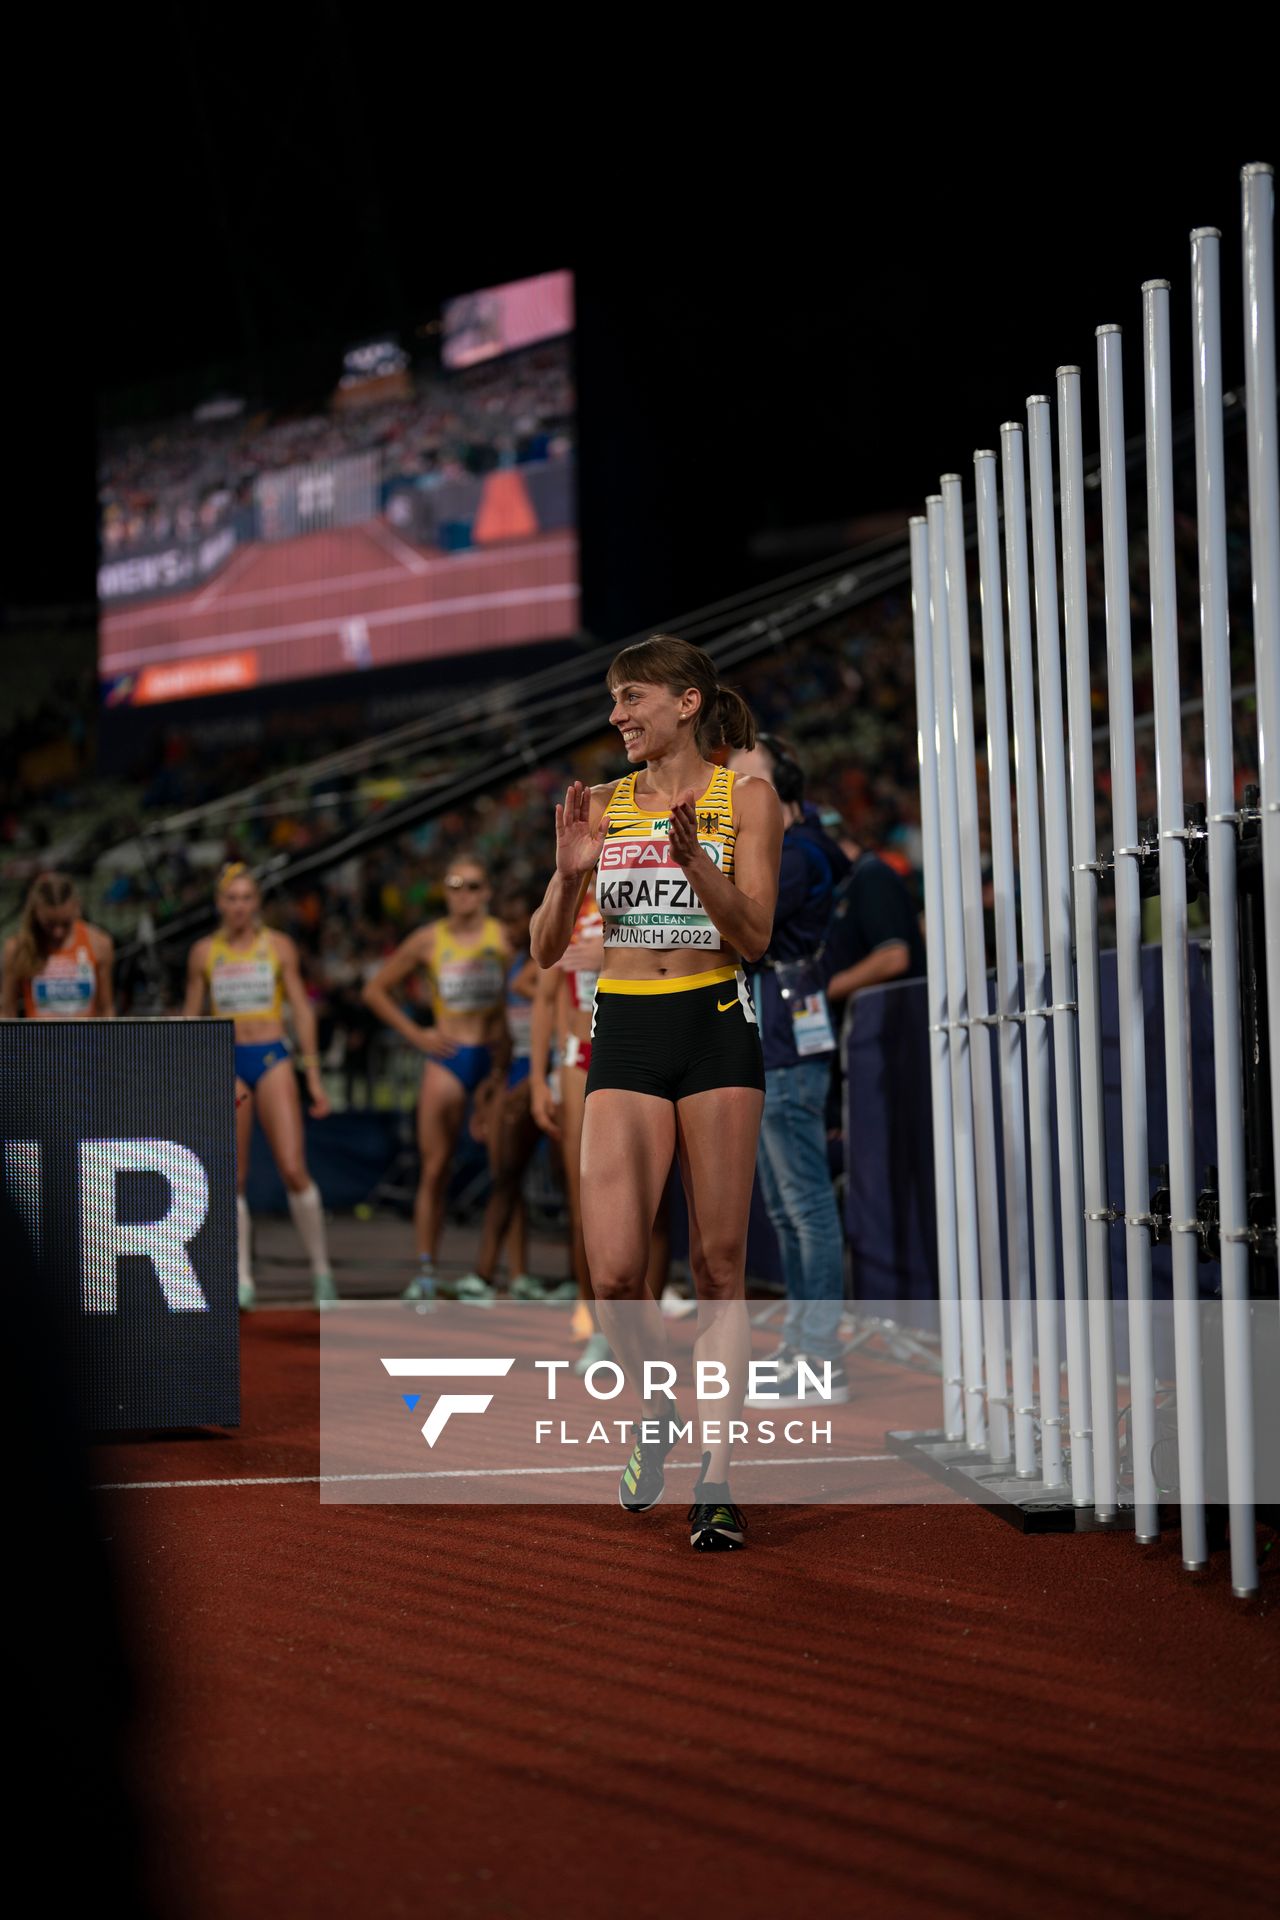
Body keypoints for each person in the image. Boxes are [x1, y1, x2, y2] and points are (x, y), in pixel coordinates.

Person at [530, 635, 782, 1551]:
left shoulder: (746, 799)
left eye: (629, 697)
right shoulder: (595, 806)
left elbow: (753, 936)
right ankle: (656, 1403)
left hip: (715, 1023)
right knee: (618, 1272)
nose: (616, 716)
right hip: (627, 1032)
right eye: (611, 701)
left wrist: (699, 865)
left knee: (719, 1268)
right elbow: (545, 949)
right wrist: (566, 877)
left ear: (685, 702)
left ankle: (715, 1480)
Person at [726, 737, 852, 1407]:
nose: (734, 787)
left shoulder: (796, 854)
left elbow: (751, 925)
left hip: (787, 1042)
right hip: (773, 1036)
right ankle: (804, 1345)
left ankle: (821, 1357)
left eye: (750, 778)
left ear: (785, 795)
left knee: (804, 1206)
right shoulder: (793, 848)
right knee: (786, 1205)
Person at [184, 863, 335, 1310]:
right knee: (235, 1176)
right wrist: (199, 1077)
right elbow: (193, 1020)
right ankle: (242, 1278)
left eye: (246, 898)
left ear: (257, 904)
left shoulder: (278, 946)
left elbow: (302, 1010)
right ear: (219, 904)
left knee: (292, 1166)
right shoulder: (204, 953)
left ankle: (322, 1271)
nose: (239, 907)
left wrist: (313, 1073)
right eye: (231, 898)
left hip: (270, 1055)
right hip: (227, 1060)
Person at [362, 854, 510, 1301]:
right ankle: (425, 1270)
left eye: (472, 886)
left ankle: (496, 1274)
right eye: (454, 885)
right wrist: (417, 1035)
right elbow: (374, 990)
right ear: (445, 892)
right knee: (435, 1169)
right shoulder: (428, 940)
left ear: (486, 892)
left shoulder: (502, 938)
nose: (463, 894)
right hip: (447, 1056)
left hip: (492, 1057)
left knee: (506, 1171)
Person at [466, 886, 553, 1297]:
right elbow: (506, 1027)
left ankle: (577, 1280)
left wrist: (539, 1078)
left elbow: (558, 1008)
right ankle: (497, 1273)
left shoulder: (551, 951)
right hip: (518, 1067)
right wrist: (496, 1078)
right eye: (505, 921)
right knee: (506, 1174)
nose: (510, 929)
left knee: (567, 1180)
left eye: (517, 919)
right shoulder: (512, 963)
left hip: (554, 1067)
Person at [2, 872, 114, 1019]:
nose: (58, 933)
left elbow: (106, 1008)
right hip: (37, 1039)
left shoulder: (99, 943)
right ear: (36, 912)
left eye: (66, 924)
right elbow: (7, 1011)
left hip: (86, 1039)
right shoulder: (17, 948)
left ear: (76, 907)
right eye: (50, 924)